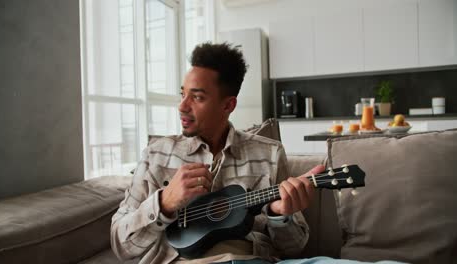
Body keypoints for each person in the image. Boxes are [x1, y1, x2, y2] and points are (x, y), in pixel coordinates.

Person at [110, 42, 325, 264]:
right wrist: (164, 203)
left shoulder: (269, 153)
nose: (182, 106)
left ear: (228, 105)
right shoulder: (156, 155)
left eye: (197, 97)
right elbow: (121, 246)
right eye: (182, 94)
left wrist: (279, 215)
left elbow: (294, 248)